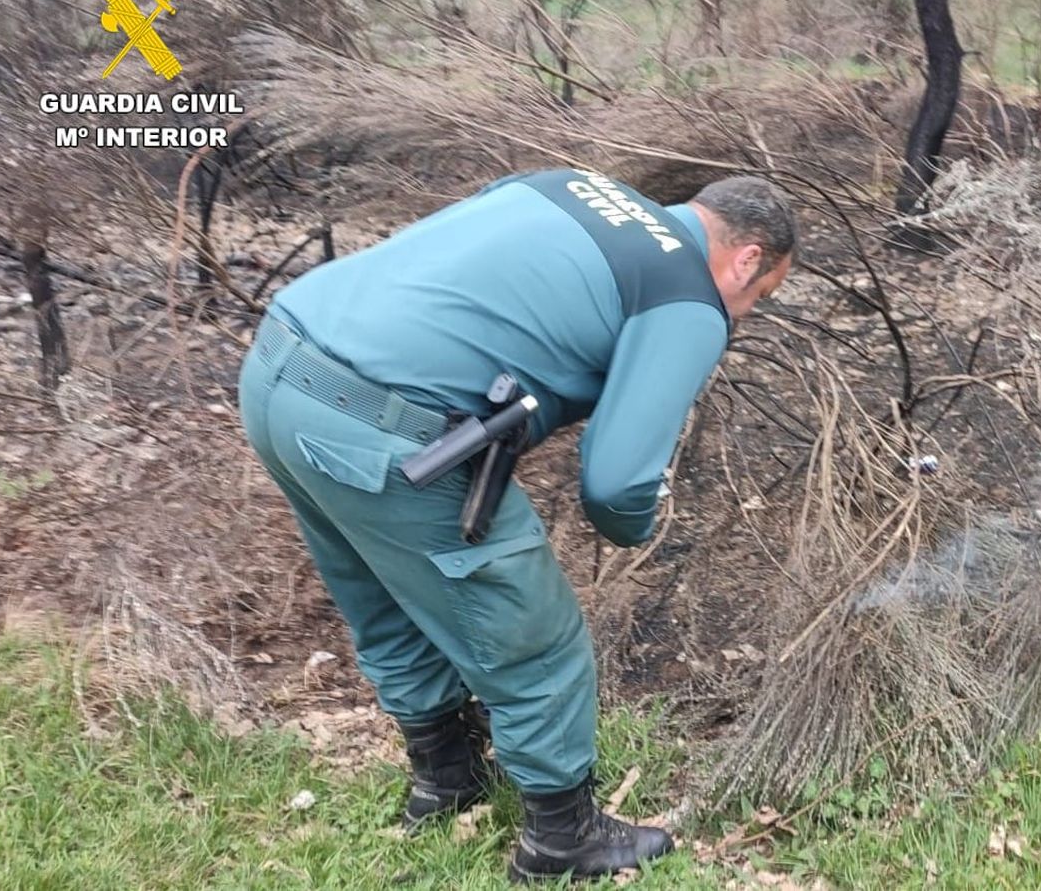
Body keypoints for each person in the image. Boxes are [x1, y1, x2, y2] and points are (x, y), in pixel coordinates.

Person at [236, 168, 795, 882]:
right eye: (759, 295)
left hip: (280, 366)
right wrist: (638, 527)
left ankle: (447, 779)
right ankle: (563, 841)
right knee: (536, 635)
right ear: (747, 257)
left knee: (386, 596)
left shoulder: (569, 184)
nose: (743, 314)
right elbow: (618, 482)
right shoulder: (687, 292)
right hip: (384, 430)